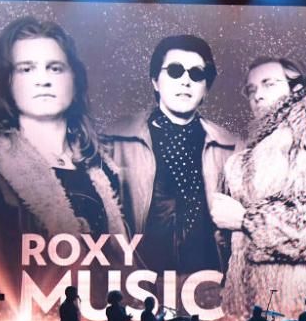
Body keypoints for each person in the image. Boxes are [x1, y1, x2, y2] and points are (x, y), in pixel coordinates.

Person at [0, 17, 126, 321]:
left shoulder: (104, 170)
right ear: (7, 81)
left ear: (74, 78)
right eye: (26, 68)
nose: (43, 79)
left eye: (55, 67)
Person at [214, 57, 306, 321]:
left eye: (269, 84)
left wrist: (246, 220)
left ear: (297, 87)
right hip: (255, 310)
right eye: (251, 89)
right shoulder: (254, 146)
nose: (258, 95)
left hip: (303, 306)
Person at [103, 34, 240, 277]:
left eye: (196, 74)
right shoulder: (114, 141)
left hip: (210, 282)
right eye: (175, 71)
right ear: (155, 81)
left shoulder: (232, 147)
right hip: (137, 282)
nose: (185, 81)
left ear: (206, 88)